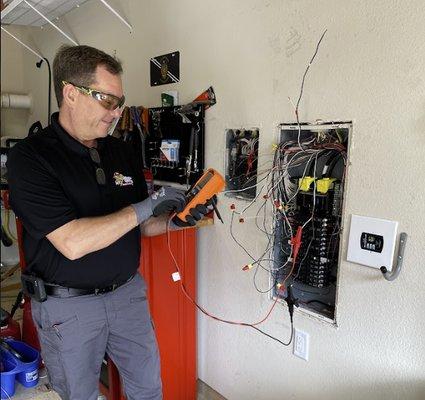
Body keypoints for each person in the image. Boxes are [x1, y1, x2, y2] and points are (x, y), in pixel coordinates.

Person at [7, 45, 210, 400]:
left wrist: (175, 221)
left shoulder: (120, 151)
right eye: (106, 100)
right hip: (68, 308)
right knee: (79, 395)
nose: (116, 112)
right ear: (70, 93)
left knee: (148, 389)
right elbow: (72, 242)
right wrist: (147, 206)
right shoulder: (31, 157)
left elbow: (138, 225)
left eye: (120, 101)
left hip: (127, 295)